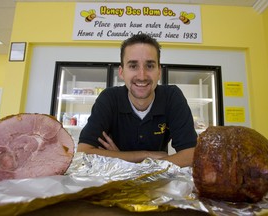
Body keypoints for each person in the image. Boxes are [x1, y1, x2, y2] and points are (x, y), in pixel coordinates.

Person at [77, 33, 197, 167]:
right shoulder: (109, 99)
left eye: (150, 66)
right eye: (133, 66)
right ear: (122, 72)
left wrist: (119, 158)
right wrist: (147, 155)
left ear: (159, 71)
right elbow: (84, 152)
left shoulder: (172, 97)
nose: (142, 76)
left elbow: (191, 154)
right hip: (115, 183)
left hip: (156, 185)